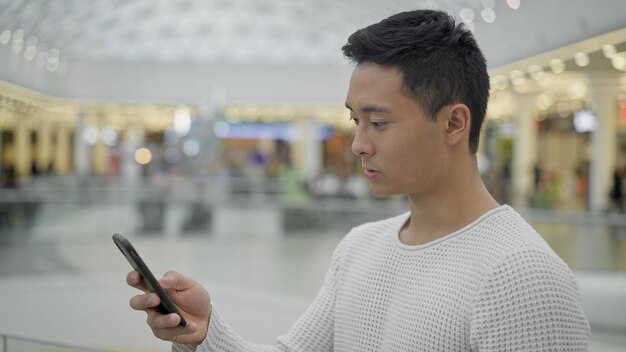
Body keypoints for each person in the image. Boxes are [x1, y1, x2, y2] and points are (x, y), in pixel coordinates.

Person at [126, 10, 590, 351]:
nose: (359, 145)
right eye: (355, 121)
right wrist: (206, 333)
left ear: (454, 124)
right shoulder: (360, 246)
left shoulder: (522, 275)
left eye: (379, 123)